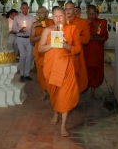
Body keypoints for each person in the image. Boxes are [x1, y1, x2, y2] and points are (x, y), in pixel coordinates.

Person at [38, 7, 81, 137]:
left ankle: (63, 126)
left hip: (66, 67)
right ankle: (56, 113)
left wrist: (66, 46)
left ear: (65, 16)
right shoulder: (47, 30)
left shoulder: (72, 29)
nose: (58, 18)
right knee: (54, 93)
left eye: (61, 15)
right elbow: (40, 48)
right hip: (51, 67)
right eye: (55, 16)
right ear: (52, 17)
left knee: (64, 95)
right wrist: (52, 44)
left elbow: (78, 49)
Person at [83, 5, 109, 99]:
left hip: (97, 51)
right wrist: (87, 38)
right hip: (86, 51)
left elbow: (105, 37)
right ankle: (85, 87)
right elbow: (79, 37)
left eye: (93, 14)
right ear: (86, 13)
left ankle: (92, 91)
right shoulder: (83, 23)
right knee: (86, 71)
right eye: (89, 14)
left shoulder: (102, 22)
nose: (91, 16)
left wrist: (98, 38)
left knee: (96, 72)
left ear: (96, 13)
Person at [64, 1, 90, 92]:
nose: (68, 11)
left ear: (75, 10)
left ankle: (75, 93)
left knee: (76, 74)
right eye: (66, 8)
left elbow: (86, 39)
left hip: (76, 53)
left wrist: (73, 37)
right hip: (62, 53)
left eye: (70, 8)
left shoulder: (82, 22)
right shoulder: (60, 22)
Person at [30, 6, 54, 100]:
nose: (40, 14)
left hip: (49, 49)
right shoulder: (35, 24)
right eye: (38, 13)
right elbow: (32, 39)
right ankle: (44, 90)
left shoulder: (51, 22)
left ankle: (50, 90)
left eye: (42, 12)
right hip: (39, 50)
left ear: (47, 14)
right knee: (40, 71)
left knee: (50, 71)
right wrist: (42, 35)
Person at [12, 2, 35, 81]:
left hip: (29, 38)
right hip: (20, 38)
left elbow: (35, 26)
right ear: (21, 8)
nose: (25, 9)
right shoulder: (17, 17)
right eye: (23, 8)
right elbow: (13, 28)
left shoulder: (32, 18)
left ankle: (26, 74)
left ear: (28, 8)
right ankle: (21, 73)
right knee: (23, 55)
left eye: (26, 8)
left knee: (29, 56)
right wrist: (19, 30)